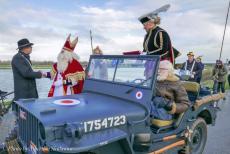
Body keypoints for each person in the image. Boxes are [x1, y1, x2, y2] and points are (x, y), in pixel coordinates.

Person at [151, 60, 190, 125]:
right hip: (154, 107)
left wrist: (169, 105)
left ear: (169, 71)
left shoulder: (177, 84)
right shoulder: (157, 80)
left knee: (145, 108)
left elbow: (185, 104)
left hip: (166, 112)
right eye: (158, 68)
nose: (158, 71)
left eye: (161, 69)